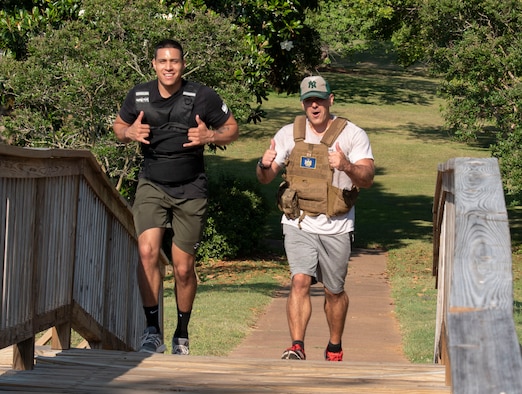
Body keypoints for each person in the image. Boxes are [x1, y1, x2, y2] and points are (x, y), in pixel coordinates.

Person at [113, 39, 239, 354]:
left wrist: (211, 135)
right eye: (163, 61)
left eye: (175, 61)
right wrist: (128, 133)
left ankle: (181, 334)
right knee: (147, 253)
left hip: (191, 187)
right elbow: (119, 125)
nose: (169, 67)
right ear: (154, 65)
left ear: (183, 65)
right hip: (152, 183)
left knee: (183, 268)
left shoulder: (203, 96)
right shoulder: (139, 95)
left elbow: (233, 129)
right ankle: (152, 331)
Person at [256, 75, 374, 361]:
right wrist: (264, 164)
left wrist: (345, 165)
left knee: (334, 292)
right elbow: (266, 178)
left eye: (319, 99)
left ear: (330, 100)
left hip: (337, 226)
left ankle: (334, 346)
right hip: (298, 222)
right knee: (299, 280)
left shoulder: (352, 134)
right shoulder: (289, 133)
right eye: (309, 100)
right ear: (302, 103)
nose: (314, 106)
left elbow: (368, 178)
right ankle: (297, 345)